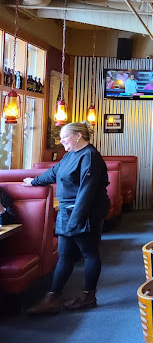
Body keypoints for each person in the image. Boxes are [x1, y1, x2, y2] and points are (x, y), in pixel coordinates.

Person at [23, 122, 110, 315]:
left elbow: (87, 192)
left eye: (65, 137)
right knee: (65, 255)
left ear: (79, 136)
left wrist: (75, 221)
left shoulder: (90, 157)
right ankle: (53, 297)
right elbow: (54, 173)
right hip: (67, 212)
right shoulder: (70, 155)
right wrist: (33, 182)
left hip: (85, 213)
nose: (61, 141)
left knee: (89, 253)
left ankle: (89, 296)